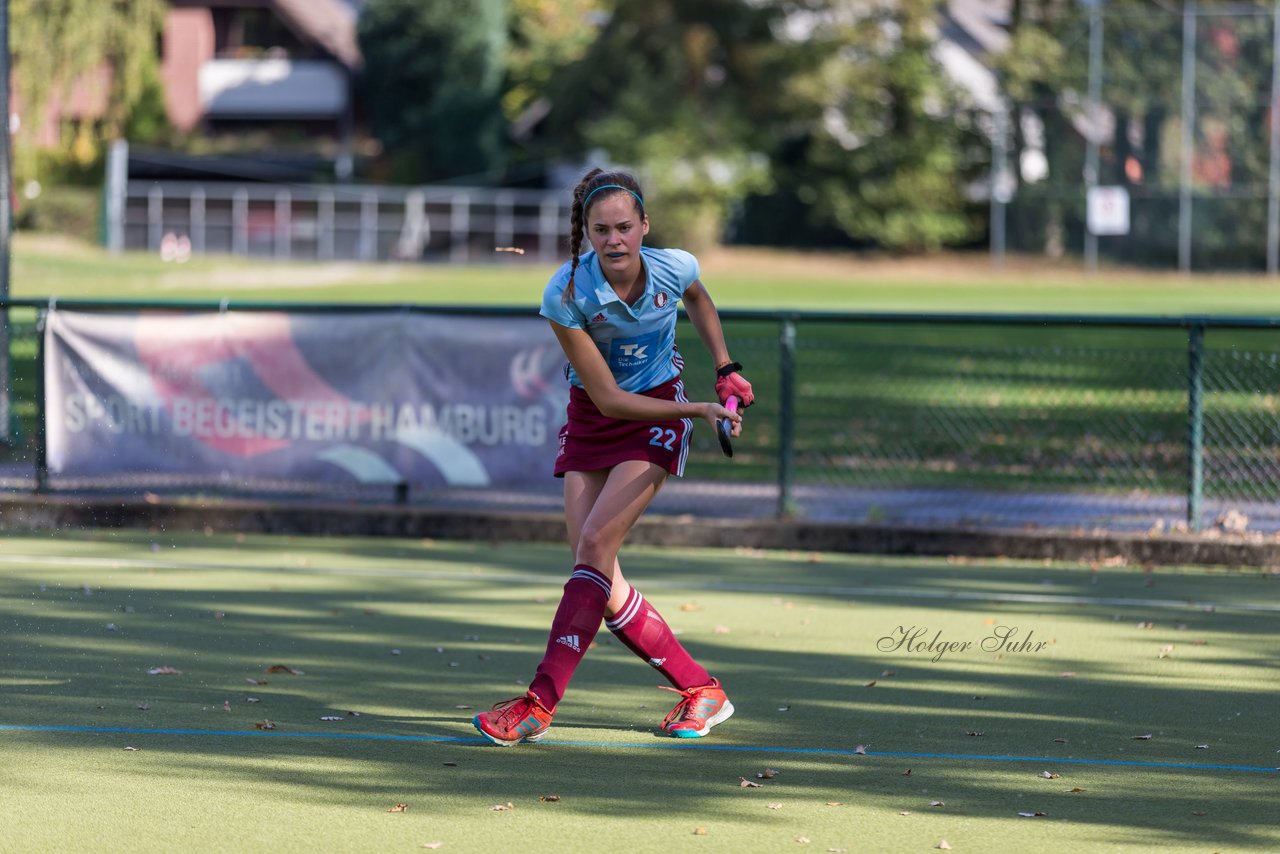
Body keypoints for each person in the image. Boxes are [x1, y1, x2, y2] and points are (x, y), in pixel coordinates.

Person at [472, 168, 755, 747]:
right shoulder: (567, 292)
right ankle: (703, 691)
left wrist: (724, 366)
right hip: (597, 414)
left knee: (595, 550)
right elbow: (605, 398)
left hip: (659, 410)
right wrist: (704, 408)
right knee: (596, 572)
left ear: (644, 226)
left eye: (625, 227)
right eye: (601, 230)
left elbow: (697, 298)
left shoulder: (674, 266)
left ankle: (537, 705)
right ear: (587, 233)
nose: (615, 240)